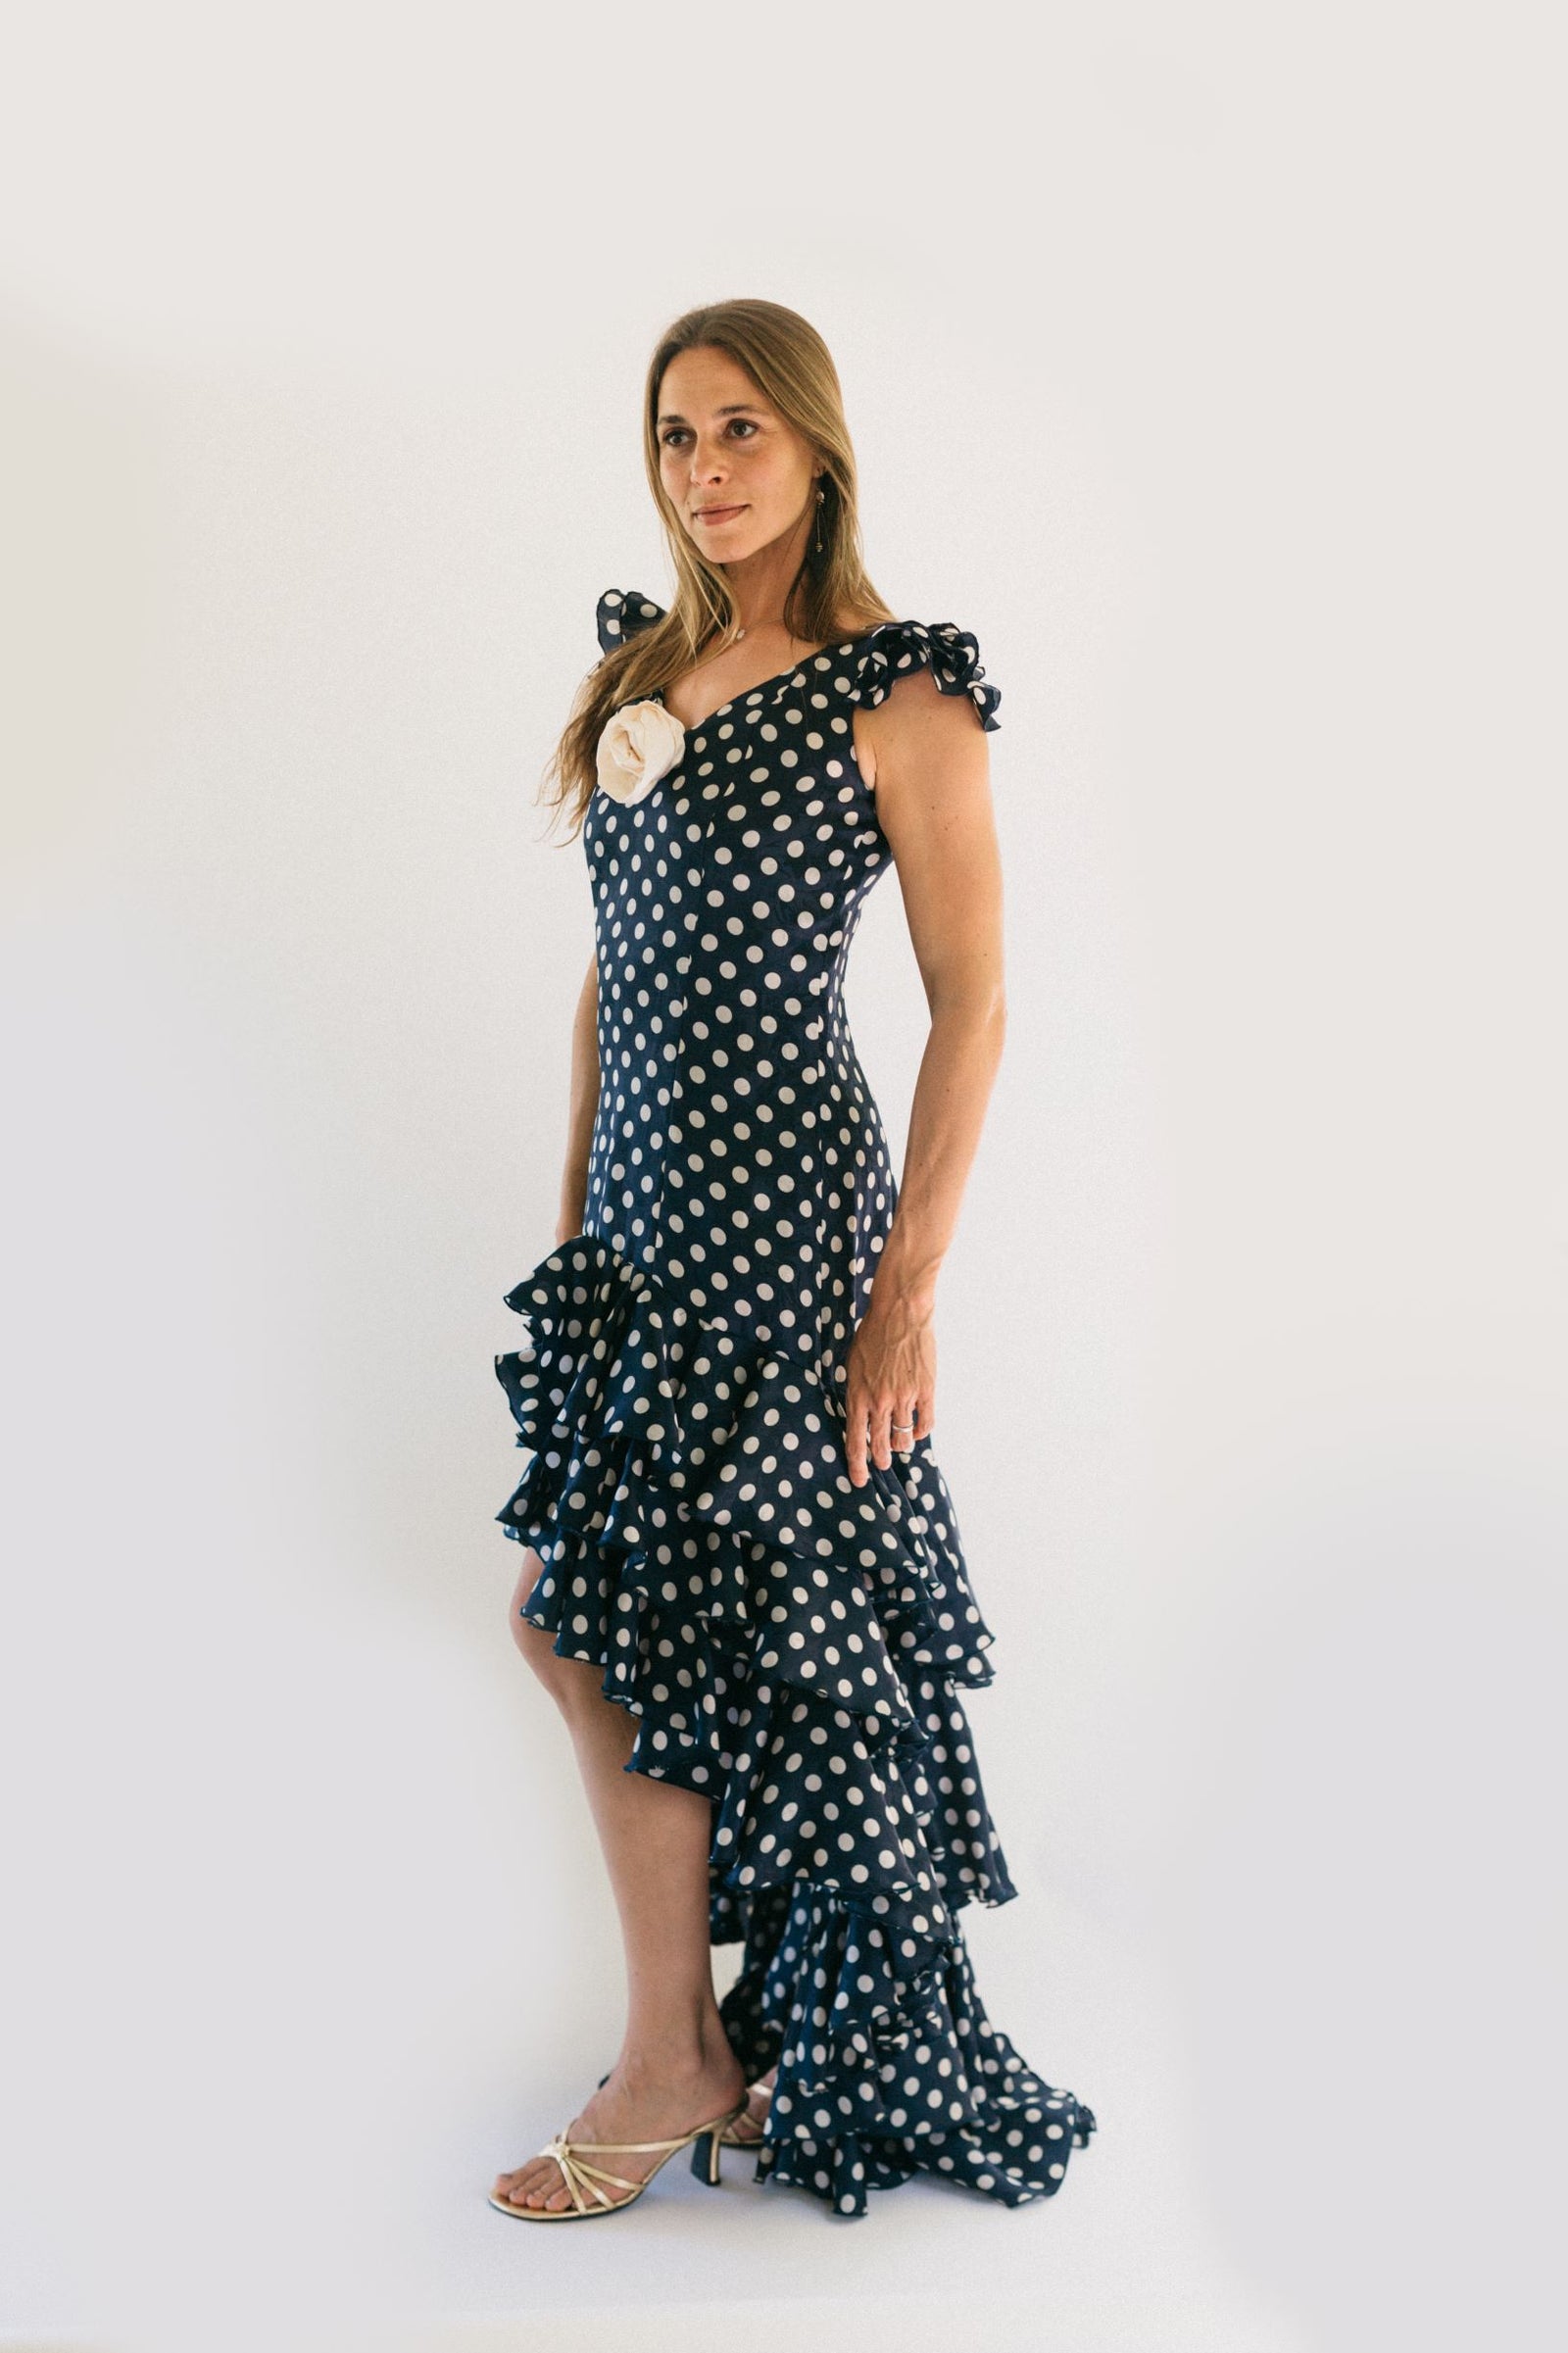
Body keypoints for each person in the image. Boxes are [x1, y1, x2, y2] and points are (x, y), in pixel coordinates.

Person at [488, 299, 1097, 2222]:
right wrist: (574, 1234)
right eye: (674, 436)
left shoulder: (892, 693)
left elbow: (973, 997)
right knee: (596, 1613)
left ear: (815, 446)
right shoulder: (639, 673)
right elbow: (613, 972)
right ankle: (694, 2043)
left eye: (740, 428)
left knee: (621, 1618)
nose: (705, 468)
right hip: (645, 1228)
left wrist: (906, 1285)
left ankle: (674, 2053)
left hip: (781, 1222)